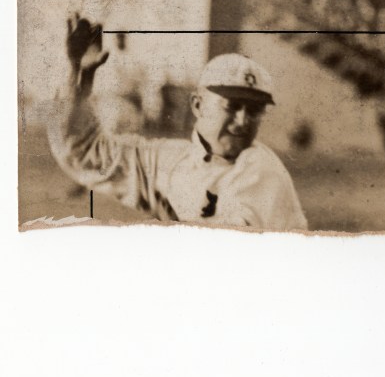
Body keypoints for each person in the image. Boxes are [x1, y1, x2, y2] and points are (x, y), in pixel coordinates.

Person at [48, 14, 308, 231]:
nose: (242, 120)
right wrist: (78, 78)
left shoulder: (264, 172)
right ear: (198, 105)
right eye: (231, 106)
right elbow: (86, 154)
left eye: (254, 110)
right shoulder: (168, 160)